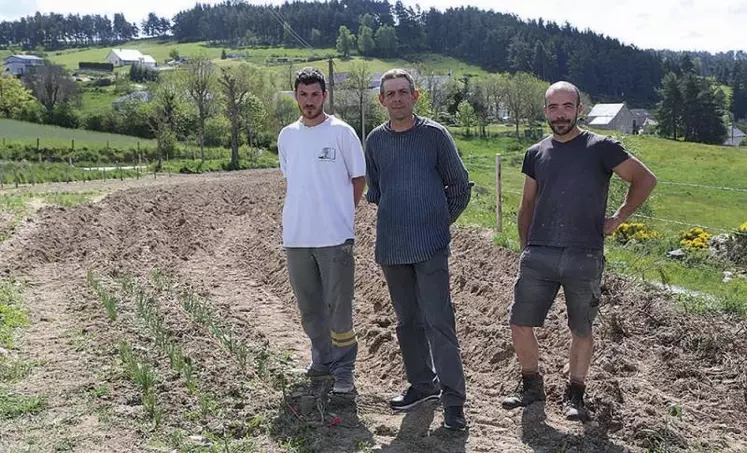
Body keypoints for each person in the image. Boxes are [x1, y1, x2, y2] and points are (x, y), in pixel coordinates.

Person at [502, 81, 657, 421]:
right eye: (553, 107)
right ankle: (530, 387)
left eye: (567, 106)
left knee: (581, 329)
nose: (560, 114)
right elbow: (526, 205)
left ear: (579, 109)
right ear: (545, 111)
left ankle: (575, 395)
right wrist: (525, 247)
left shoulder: (601, 147)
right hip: (539, 254)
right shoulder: (536, 152)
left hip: (584, 254)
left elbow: (644, 179)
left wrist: (618, 217)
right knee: (519, 322)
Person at [364, 68, 472, 431]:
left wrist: (438, 224)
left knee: (440, 321)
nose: (396, 98)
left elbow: (459, 186)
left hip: (431, 248)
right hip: (392, 247)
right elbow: (376, 191)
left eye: (402, 92)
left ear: (415, 96)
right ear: (381, 101)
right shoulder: (375, 140)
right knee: (407, 322)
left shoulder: (435, 135)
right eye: (390, 93)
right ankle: (422, 385)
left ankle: (454, 400)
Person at [277, 67, 366, 395]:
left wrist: (341, 214)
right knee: (310, 306)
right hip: (297, 237)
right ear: (296, 97)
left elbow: (358, 179)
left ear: (325, 95)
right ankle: (321, 361)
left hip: (334, 238)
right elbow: (294, 179)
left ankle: (344, 370)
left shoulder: (342, 133)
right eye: (303, 95)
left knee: (338, 308)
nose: (309, 101)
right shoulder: (287, 136)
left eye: (315, 94)